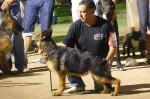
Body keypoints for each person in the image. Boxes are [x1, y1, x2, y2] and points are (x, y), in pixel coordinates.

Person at [61, 0, 117, 93]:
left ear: (92, 11)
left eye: (83, 12)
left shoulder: (106, 25)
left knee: (101, 88)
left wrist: (107, 60)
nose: (80, 15)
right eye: (78, 12)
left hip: (101, 61)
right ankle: (77, 85)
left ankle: (103, 84)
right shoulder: (76, 26)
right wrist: (51, 54)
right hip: (82, 61)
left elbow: (113, 46)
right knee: (65, 60)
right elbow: (64, 45)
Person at [0, 0, 30, 73]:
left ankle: (21, 65)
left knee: (17, 36)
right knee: (2, 42)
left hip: (13, 4)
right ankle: (6, 67)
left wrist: (9, 1)